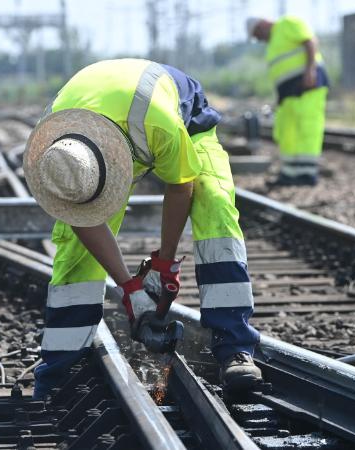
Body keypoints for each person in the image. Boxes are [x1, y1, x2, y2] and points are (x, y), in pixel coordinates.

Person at [23, 59, 262, 400]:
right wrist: (131, 288)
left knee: (215, 207)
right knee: (75, 251)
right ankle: (61, 369)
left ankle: (235, 348)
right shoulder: (58, 156)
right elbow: (81, 219)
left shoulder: (161, 125)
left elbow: (181, 186)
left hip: (182, 124)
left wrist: (165, 265)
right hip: (98, 135)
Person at [247, 16, 329, 186]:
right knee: (288, 130)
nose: (259, 39)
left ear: (263, 25)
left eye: (257, 35)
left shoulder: (288, 24)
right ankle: (290, 173)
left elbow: (310, 42)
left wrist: (310, 71)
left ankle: (307, 174)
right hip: (288, 92)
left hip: (308, 85)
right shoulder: (273, 42)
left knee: (307, 127)